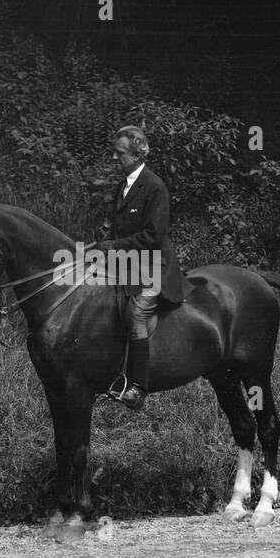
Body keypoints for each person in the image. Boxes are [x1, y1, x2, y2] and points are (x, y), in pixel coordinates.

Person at [97, 126, 193, 410]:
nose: (116, 158)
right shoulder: (123, 185)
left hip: (154, 265)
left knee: (137, 313)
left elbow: (153, 235)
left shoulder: (155, 186)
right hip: (128, 262)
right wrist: (101, 243)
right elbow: (117, 228)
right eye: (115, 152)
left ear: (138, 154)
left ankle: (138, 387)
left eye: (121, 153)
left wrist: (113, 247)